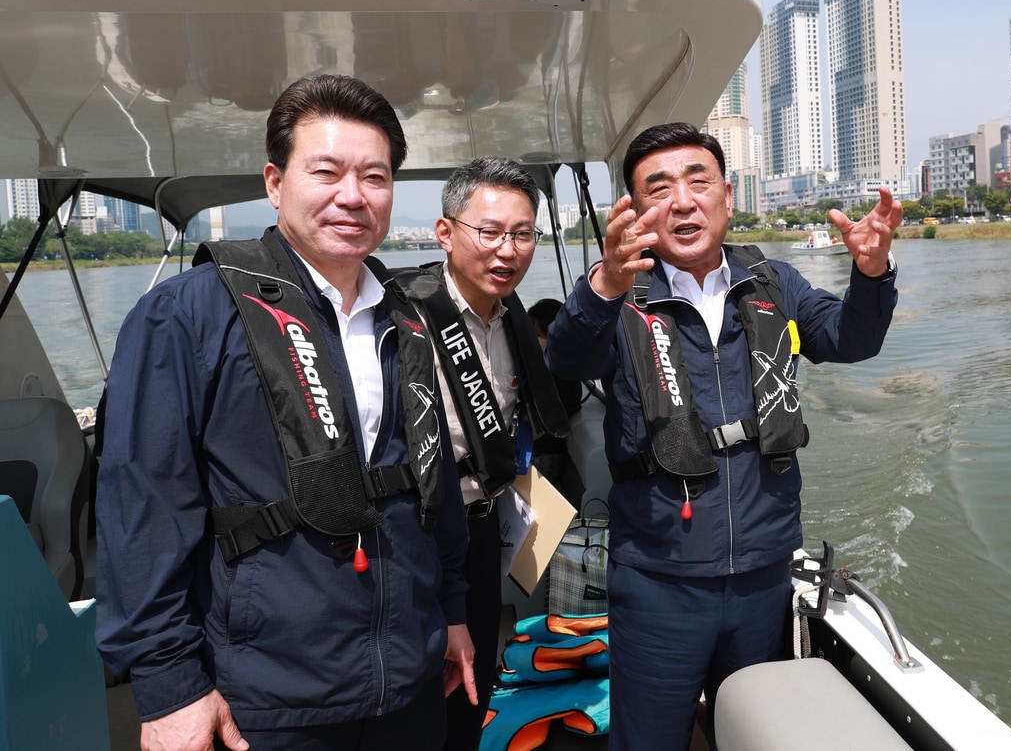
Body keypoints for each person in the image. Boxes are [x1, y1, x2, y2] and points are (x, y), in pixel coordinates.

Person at [96, 74, 475, 751]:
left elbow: (432, 484)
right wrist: (168, 684)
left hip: (411, 688)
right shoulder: (188, 314)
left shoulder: (408, 318)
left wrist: (449, 612)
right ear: (276, 182)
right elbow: (142, 508)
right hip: (266, 707)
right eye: (326, 171)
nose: (352, 195)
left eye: (375, 176)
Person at [545, 122, 901, 750]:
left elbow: (851, 338)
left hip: (764, 576)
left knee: (753, 731)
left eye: (697, 181)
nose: (682, 202)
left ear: (728, 197)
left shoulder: (774, 283)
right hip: (658, 581)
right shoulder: (618, 297)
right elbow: (566, 362)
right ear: (631, 210)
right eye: (658, 188)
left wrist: (871, 274)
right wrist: (602, 288)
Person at [389, 157, 572, 751]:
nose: (507, 251)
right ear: (446, 233)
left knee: (473, 677)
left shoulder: (513, 316)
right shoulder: (399, 316)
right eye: (489, 232)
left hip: (484, 518)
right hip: (413, 527)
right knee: (416, 679)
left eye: (522, 235)